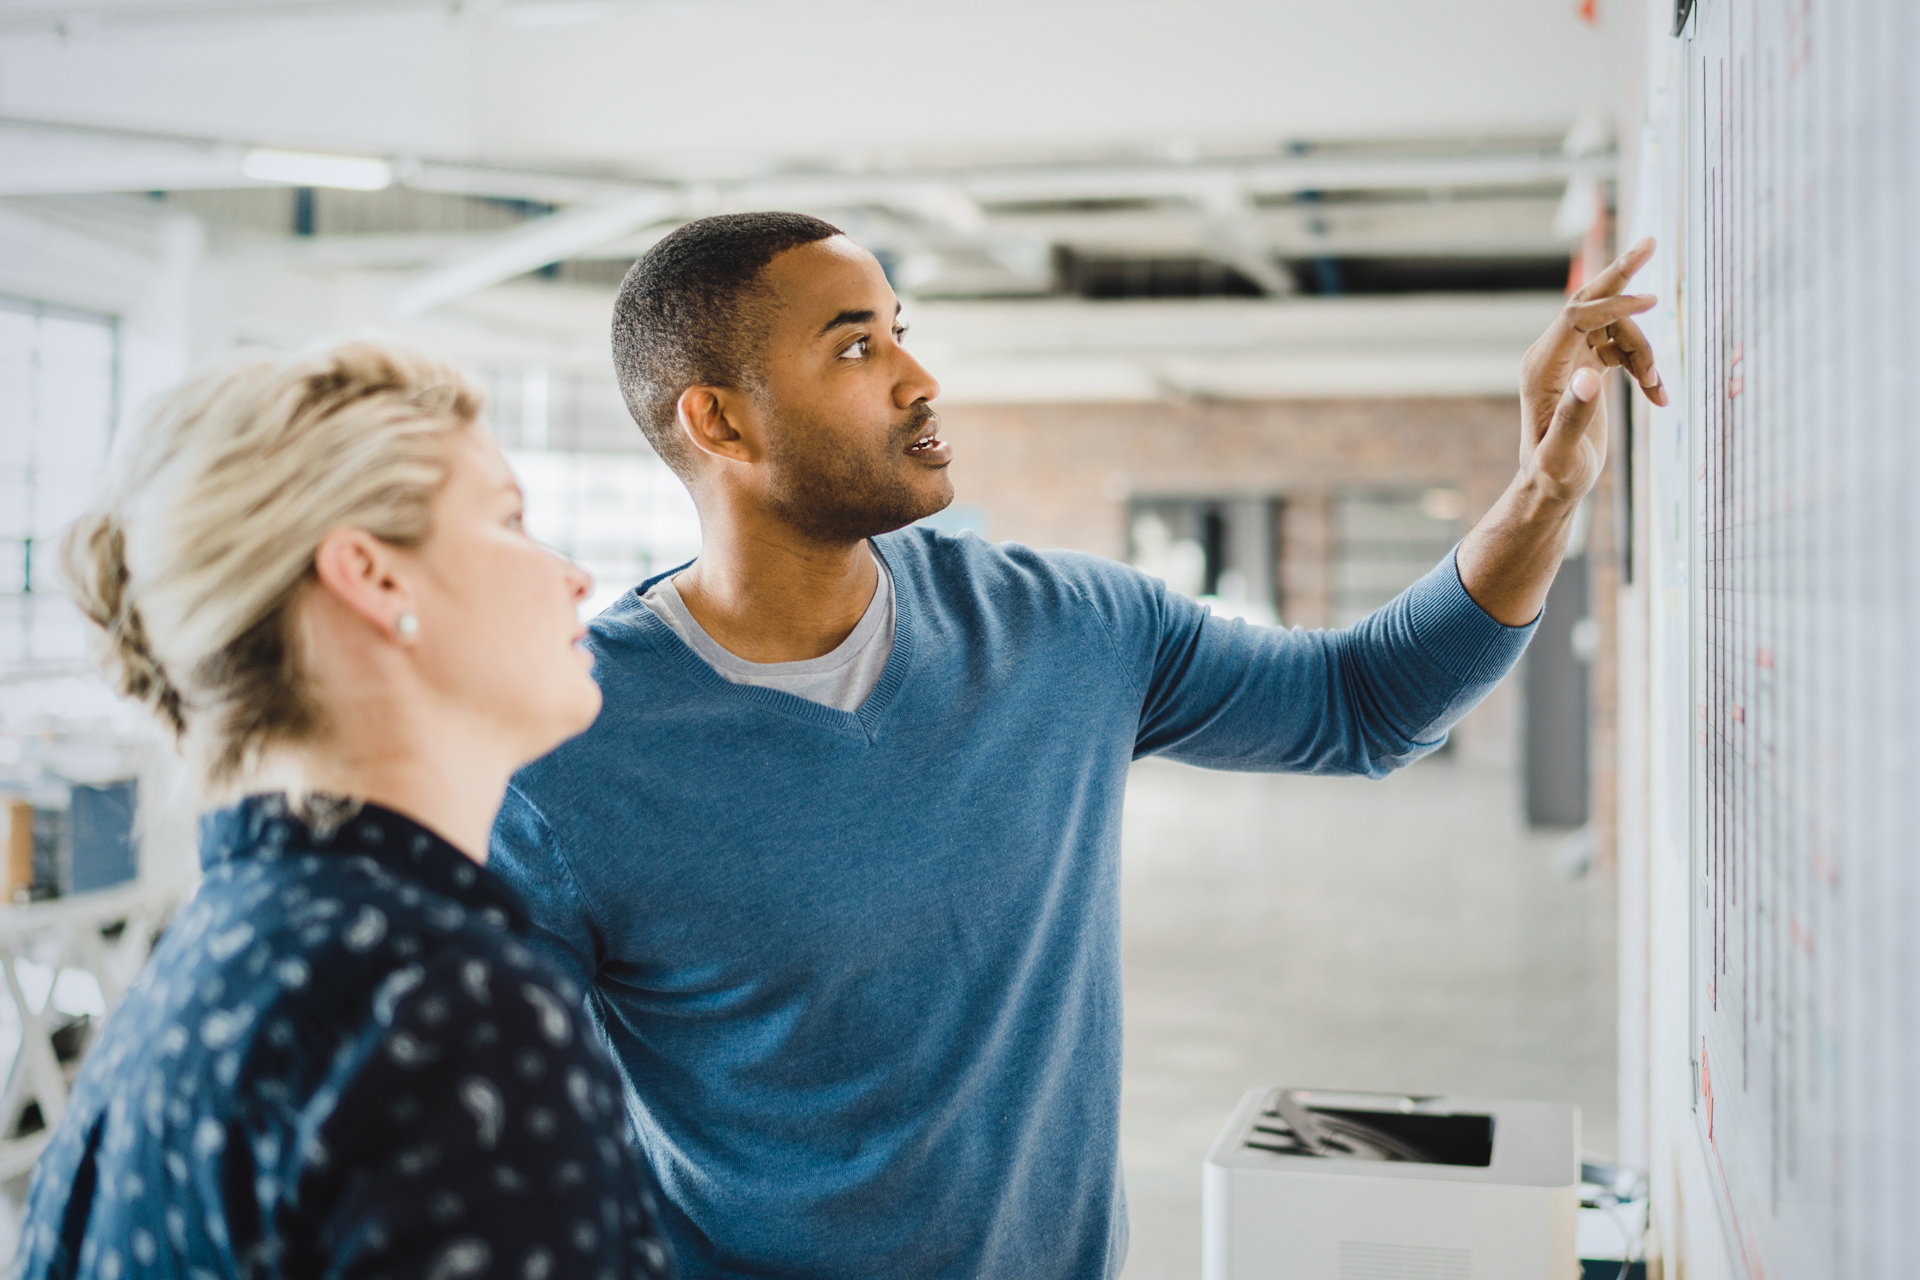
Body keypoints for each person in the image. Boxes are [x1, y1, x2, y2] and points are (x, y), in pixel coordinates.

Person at [490, 213, 1668, 1280]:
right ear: (719, 419)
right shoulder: (563, 749)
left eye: (902, 330)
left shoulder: (1067, 628)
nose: (917, 375)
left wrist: (1545, 491)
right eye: (856, 347)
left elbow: (1364, 702)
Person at [18, 344, 676, 1279]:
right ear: (373, 577)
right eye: (510, 520)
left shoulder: (222, 964)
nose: (571, 576)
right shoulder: (444, 1008)